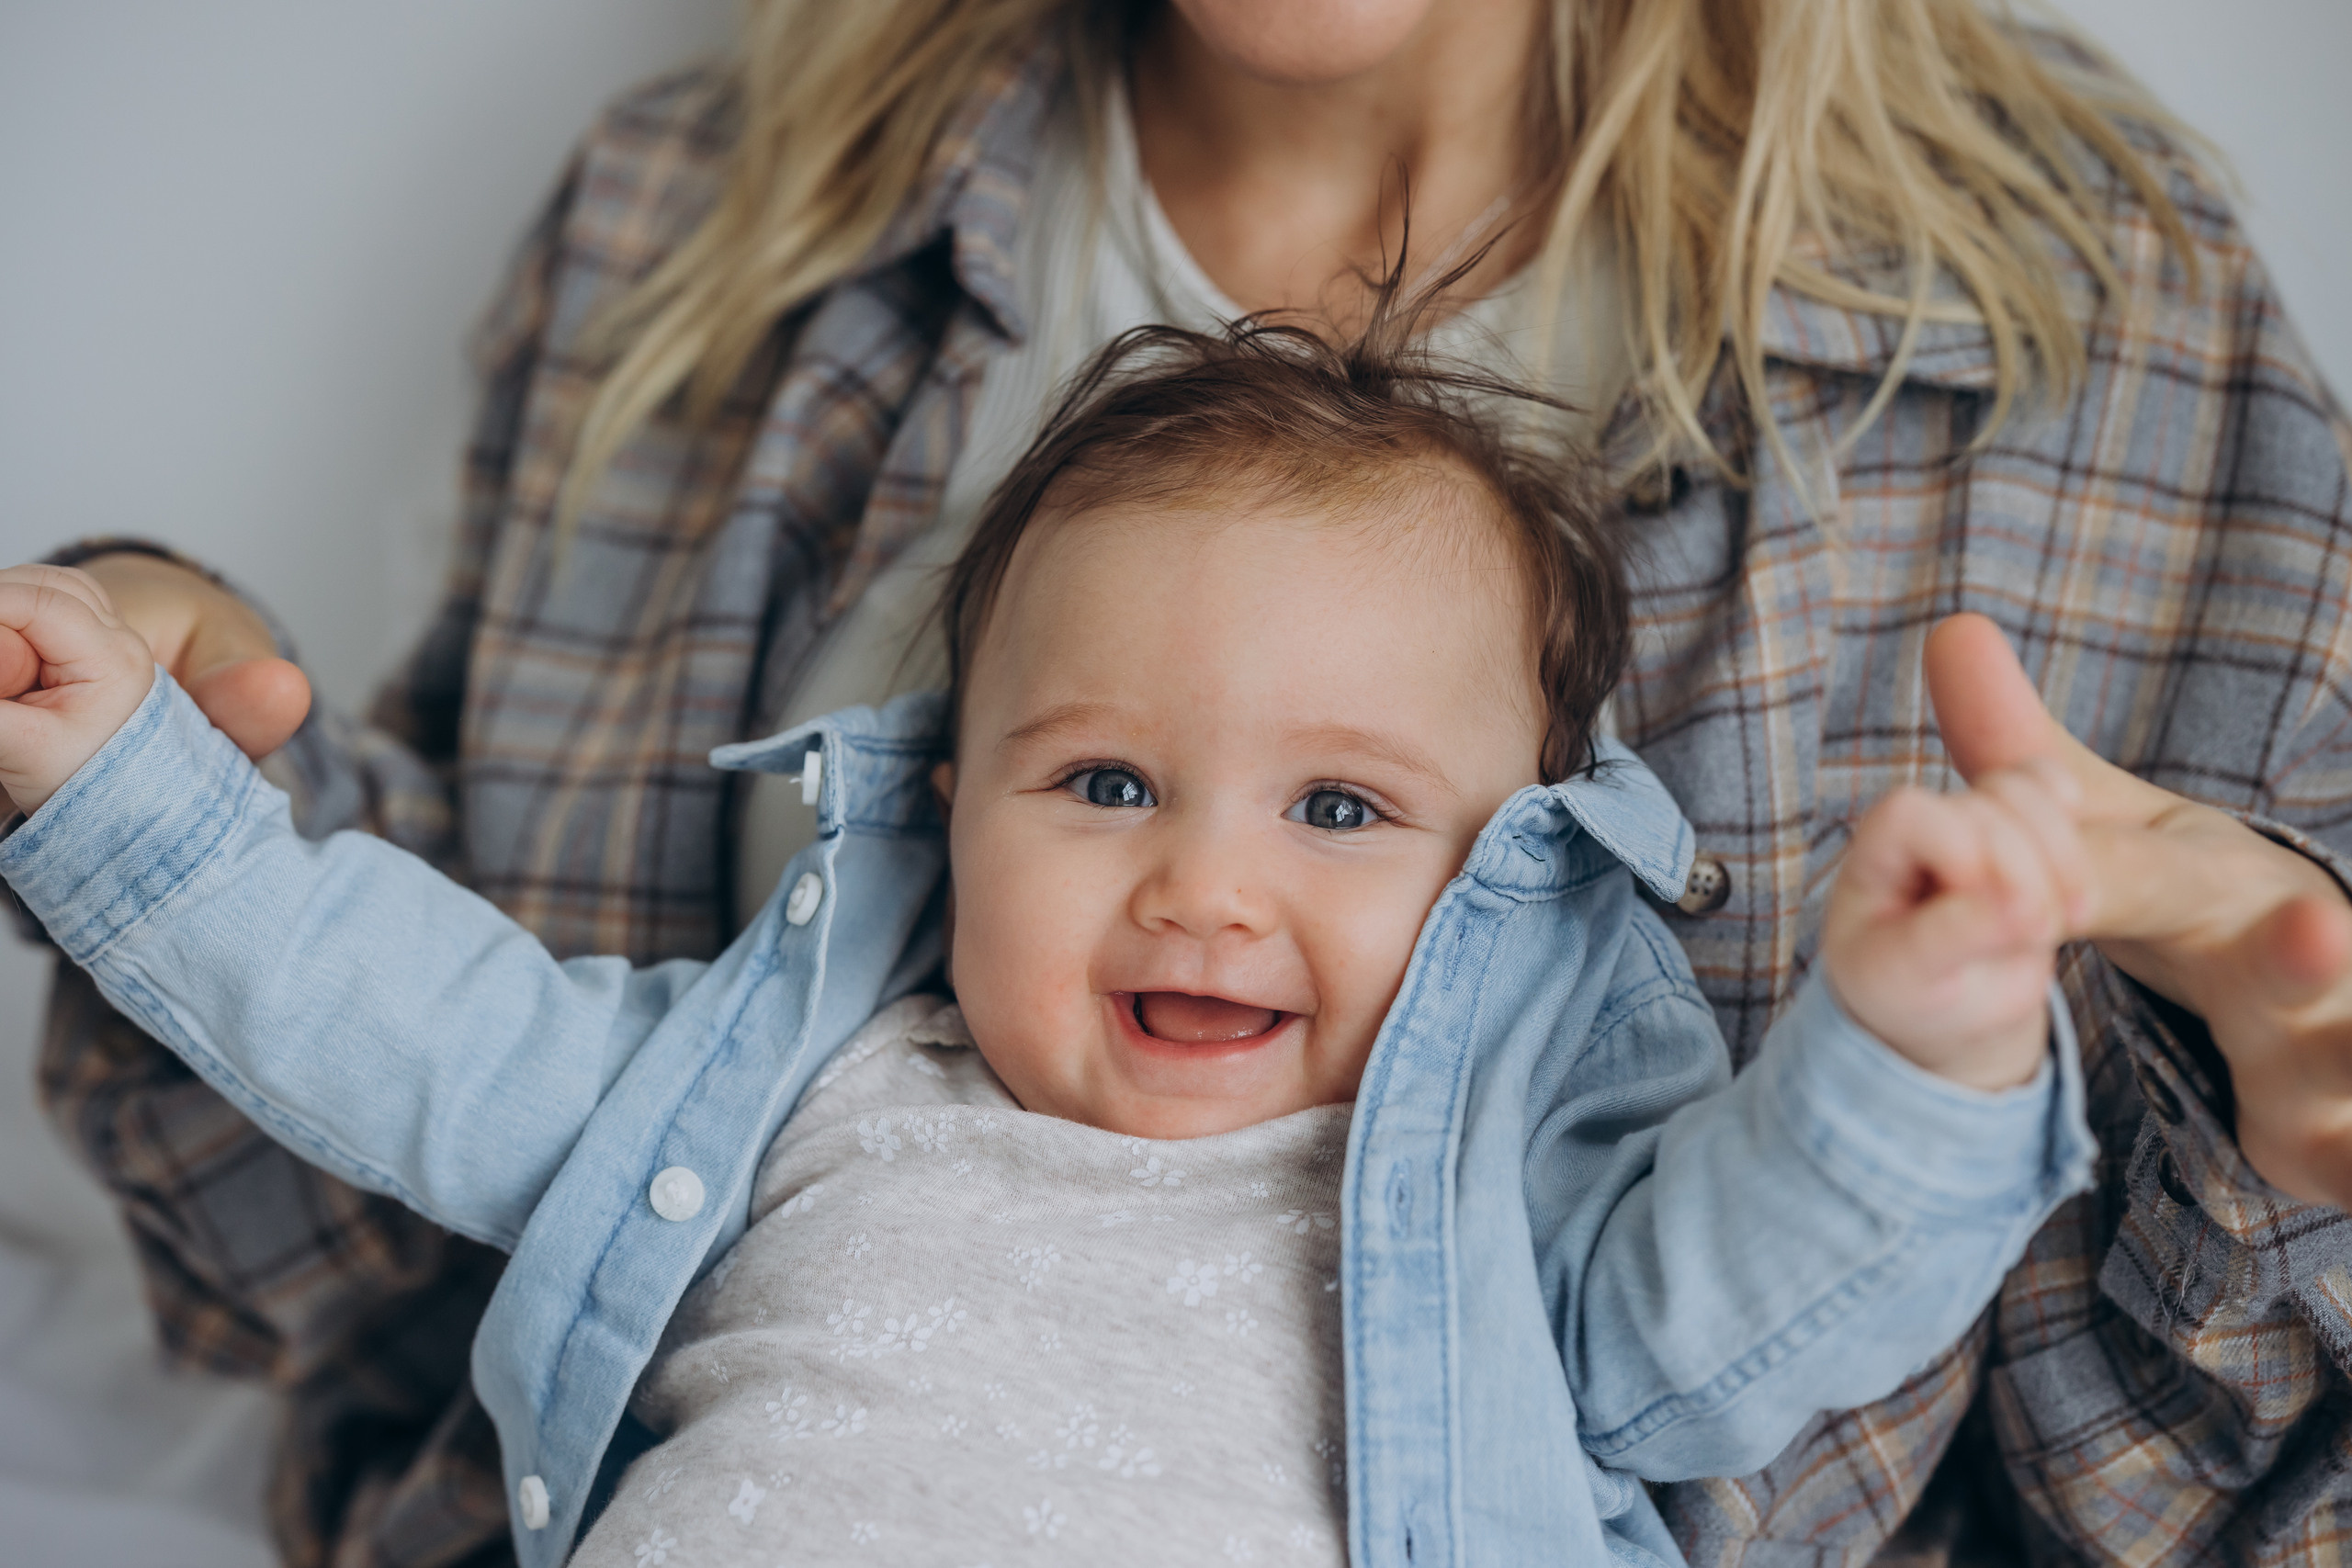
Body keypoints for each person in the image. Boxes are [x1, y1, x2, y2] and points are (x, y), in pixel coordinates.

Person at [27, 0, 2352, 1562]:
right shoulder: (773, 1074)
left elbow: (1770, 1284)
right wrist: (134, 765)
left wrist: (1926, 1044)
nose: (1200, 892)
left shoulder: (1495, 1198)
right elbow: (396, 1020)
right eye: (1102, 784)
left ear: (1518, 877)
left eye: (1338, 811)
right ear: (935, 798)